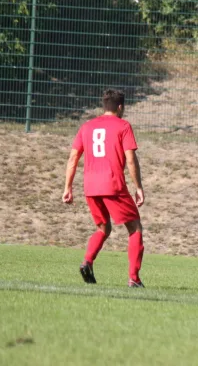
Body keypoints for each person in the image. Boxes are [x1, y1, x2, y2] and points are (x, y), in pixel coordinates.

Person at [62, 89, 146, 288]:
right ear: (120, 107)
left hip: (90, 187)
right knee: (135, 229)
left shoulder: (87, 126)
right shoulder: (123, 126)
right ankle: (134, 278)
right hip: (113, 185)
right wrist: (139, 187)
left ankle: (87, 262)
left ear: (104, 106)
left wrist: (67, 187)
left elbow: (73, 158)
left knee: (103, 228)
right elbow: (131, 159)